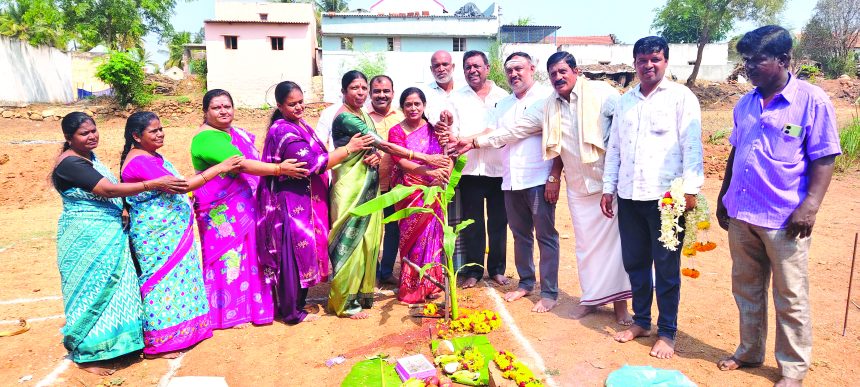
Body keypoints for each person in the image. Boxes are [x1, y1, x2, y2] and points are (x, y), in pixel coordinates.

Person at [715, 26, 841, 387]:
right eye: (746, 60)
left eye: (757, 60)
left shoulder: (812, 100)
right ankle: (749, 351)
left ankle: (793, 370)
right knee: (746, 289)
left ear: (784, 60)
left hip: (786, 218)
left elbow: (825, 156)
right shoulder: (746, 102)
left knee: (790, 296)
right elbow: (737, 151)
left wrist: (811, 205)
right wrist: (725, 196)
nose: (749, 67)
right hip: (742, 214)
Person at [52, 112, 186, 375]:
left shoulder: (89, 158)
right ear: (69, 138)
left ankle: (121, 346)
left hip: (110, 233)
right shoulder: (69, 164)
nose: (91, 136)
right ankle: (89, 355)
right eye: (84, 133)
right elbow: (108, 190)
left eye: (93, 131)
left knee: (120, 288)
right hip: (86, 237)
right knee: (91, 291)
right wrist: (153, 184)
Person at [601, 36, 704, 359]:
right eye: (642, 60)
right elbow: (615, 148)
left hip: (667, 201)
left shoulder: (681, 97)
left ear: (666, 61)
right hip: (630, 195)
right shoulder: (625, 101)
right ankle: (642, 321)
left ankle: (668, 332)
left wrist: (690, 190)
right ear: (634, 64)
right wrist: (609, 186)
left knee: (667, 268)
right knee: (635, 263)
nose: (648, 65)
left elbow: (692, 146)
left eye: (655, 59)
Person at [327, 70, 451, 319]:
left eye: (363, 87)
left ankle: (360, 296)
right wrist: (423, 158)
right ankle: (343, 302)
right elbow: (382, 144)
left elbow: (372, 147)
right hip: (352, 186)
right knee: (350, 240)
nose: (360, 92)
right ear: (343, 91)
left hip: (370, 184)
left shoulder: (360, 114)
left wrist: (370, 155)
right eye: (356, 88)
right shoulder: (348, 118)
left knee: (369, 241)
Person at [120, 112, 242, 357]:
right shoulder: (139, 161)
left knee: (178, 280)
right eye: (153, 131)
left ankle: (185, 331)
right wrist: (220, 167)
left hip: (172, 233)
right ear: (136, 136)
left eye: (161, 128)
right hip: (157, 236)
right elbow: (181, 186)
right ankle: (162, 340)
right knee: (161, 282)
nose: (160, 133)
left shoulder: (151, 156)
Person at [257, 81, 374, 324]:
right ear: (279, 106)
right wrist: (349, 149)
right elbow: (313, 163)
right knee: (291, 256)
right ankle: (291, 312)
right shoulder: (283, 131)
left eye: (301, 101)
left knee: (304, 253)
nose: (299, 107)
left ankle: (298, 304)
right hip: (290, 205)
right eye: (292, 104)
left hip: (306, 200)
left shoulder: (299, 125)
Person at [190, 89, 307, 330]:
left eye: (227, 106)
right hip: (221, 212)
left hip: (244, 206)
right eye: (216, 107)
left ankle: (254, 307)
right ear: (205, 111)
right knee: (229, 259)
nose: (224, 111)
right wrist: (279, 170)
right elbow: (241, 164)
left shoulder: (231, 133)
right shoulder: (206, 138)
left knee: (250, 255)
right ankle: (228, 313)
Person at [443, 50, 510, 289]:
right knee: (472, 223)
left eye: (477, 66)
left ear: (487, 68)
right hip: (469, 169)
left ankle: (497, 269)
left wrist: (466, 140)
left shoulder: (503, 97)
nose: (472, 70)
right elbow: (451, 133)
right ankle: (473, 270)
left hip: (499, 169)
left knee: (499, 222)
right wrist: (459, 138)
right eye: (468, 67)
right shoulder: (455, 98)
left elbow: (501, 132)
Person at [388, 87, 452, 304]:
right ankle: (412, 286)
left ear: (424, 106)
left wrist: (442, 175)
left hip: (434, 190)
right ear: (402, 107)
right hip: (410, 192)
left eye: (417, 104)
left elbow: (447, 154)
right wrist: (429, 172)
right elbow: (402, 162)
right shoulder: (396, 131)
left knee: (433, 239)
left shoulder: (434, 129)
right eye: (408, 104)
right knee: (413, 240)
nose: (413, 108)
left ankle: (431, 284)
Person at [423, 50, 465, 269]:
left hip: (465, 160)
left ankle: (458, 264)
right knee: (438, 211)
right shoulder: (425, 93)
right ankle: (436, 263)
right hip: (437, 163)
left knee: (461, 215)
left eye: (445, 64)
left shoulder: (465, 91)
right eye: (436, 65)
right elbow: (426, 118)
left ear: (453, 66)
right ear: (431, 69)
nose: (441, 68)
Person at [368, 75, 405, 286]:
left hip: (394, 184)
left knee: (393, 228)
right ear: (371, 93)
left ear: (393, 92)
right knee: (371, 230)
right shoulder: (363, 116)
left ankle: (387, 270)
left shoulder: (401, 116)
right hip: (369, 184)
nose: (381, 95)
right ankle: (371, 270)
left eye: (386, 91)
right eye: (377, 91)